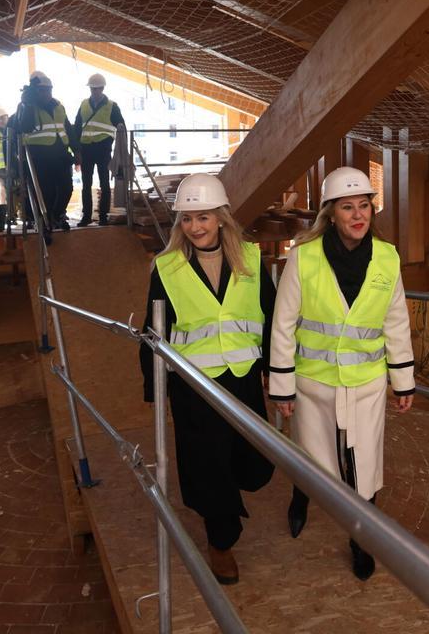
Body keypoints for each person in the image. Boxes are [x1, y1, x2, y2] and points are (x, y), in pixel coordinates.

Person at [268, 166, 415, 581]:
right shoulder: (303, 257)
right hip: (313, 384)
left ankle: (361, 540)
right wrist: (282, 386)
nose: (357, 215)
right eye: (347, 207)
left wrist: (402, 378)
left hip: (366, 384)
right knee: (312, 459)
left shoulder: (387, 257)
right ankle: (301, 497)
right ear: (331, 213)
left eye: (364, 206)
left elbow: (396, 322)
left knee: (364, 468)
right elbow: (283, 325)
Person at [137, 173, 276, 585]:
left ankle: (229, 499)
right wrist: (155, 387)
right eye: (186, 219)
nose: (195, 227)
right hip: (194, 386)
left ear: (220, 217)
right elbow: (153, 330)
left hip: (244, 380)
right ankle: (222, 541)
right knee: (209, 466)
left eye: (203, 217)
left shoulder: (252, 259)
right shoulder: (168, 268)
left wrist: (279, 376)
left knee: (253, 464)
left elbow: (269, 321)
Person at [15, 71, 75, 240]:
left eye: (49, 90)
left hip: (61, 156)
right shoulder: (26, 106)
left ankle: (54, 216)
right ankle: (45, 224)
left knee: (66, 189)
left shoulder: (58, 106)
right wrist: (28, 103)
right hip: (39, 158)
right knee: (45, 193)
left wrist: (76, 150)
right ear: (35, 91)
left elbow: (67, 128)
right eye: (42, 90)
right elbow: (25, 127)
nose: (46, 93)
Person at [71, 73, 125, 227]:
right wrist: (76, 151)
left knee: (105, 184)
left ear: (102, 88)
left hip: (103, 148)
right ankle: (86, 216)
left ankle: (103, 217)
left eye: (97, 88)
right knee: (86, 185)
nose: (94, 91)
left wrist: (120, 151)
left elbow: (121, 127)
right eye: (92, 89)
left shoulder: (112, 106)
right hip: (86, 149)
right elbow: (76, 127)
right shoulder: (84, 105)